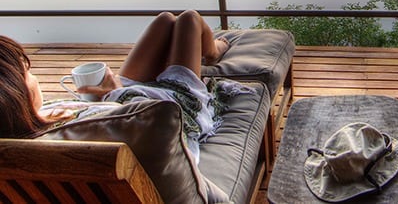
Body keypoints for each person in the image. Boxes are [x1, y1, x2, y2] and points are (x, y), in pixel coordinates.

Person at [0, 9, 242, 164]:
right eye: (27, 72)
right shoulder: (70, 138)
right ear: (17, 94)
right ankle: (214, 51)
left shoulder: (25, 129)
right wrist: (114, 92)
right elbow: (158, 117)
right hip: (170, 104)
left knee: (165, 20)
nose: (34, 77)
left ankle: (189, 53)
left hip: (122, 99)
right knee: (188, 19)